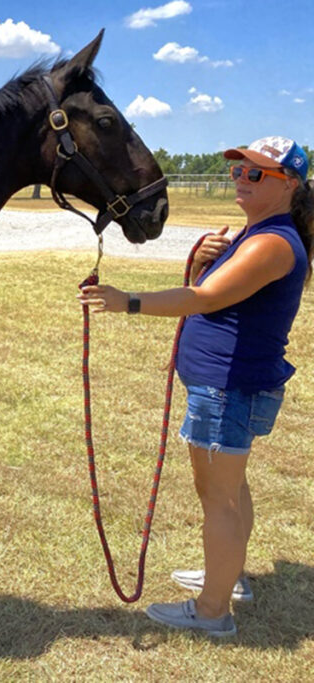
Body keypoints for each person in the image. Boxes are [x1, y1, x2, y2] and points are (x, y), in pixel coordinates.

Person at [77, 136, 314, 637]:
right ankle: (227, 579)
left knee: (220, 500)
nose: (240, 179)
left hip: (228, 388)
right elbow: (223, 294)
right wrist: (209, 255)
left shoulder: (272, 243)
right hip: (230, 386)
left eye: (255, 174)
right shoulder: (258, 236)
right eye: (237, 171)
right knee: (232, 489)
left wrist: (127, 301)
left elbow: (204, 300)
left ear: (289, 185)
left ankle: (212, 612)